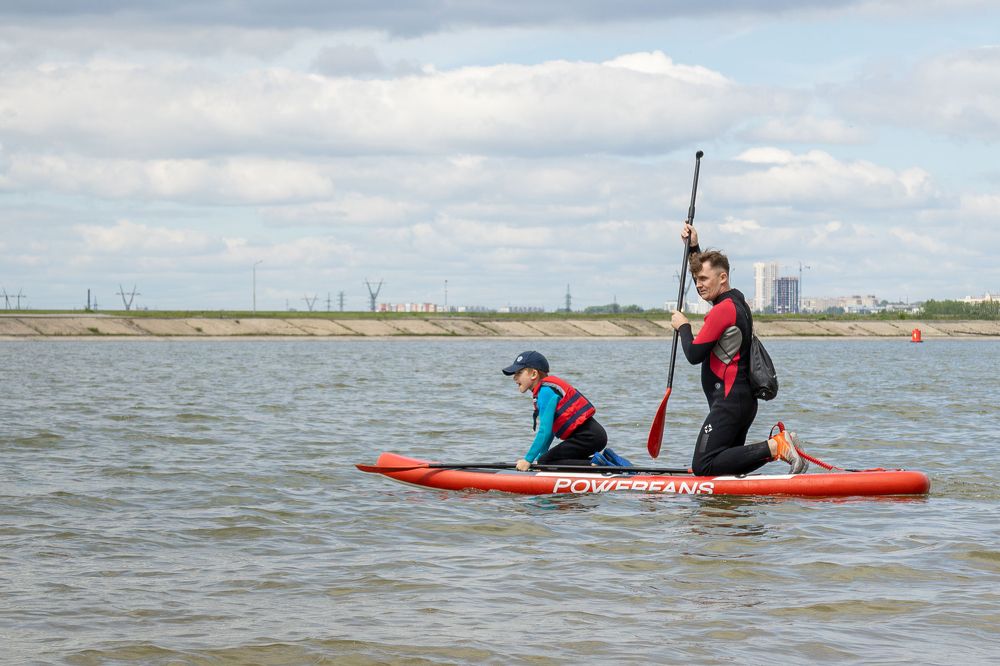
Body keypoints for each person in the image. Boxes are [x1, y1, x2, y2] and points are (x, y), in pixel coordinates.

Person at [669, 223, 808, 476]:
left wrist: (684, 327)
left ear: (722, 278)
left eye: (703, 279)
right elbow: (705, 272)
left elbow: (693, 355)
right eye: (696, 279)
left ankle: (777, 446)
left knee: (704, 465)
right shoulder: (736, 301)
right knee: (723, 468)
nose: (698, 284)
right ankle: (772, 454)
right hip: (740, 402)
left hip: (729, 403)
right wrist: (694, 248)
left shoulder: (724, 310)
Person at [501, 351, 608, 471]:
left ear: (534, 374)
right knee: (546, 460)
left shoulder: (545, 392)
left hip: (588, 437)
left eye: (519, 373)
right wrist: (541, 459)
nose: (514, 377)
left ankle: (598, 466)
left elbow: (544, 431)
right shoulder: (544, 391)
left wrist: (528, 460)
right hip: (592, 436)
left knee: (547, 461)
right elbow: (550, 431)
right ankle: (605, 461)